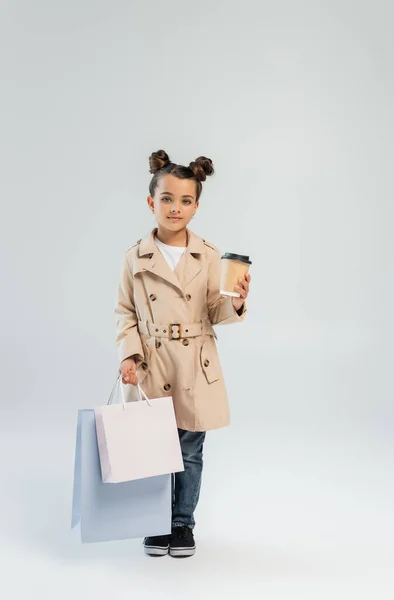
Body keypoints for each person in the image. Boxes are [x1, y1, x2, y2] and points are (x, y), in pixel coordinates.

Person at [114, 149, 251, 558]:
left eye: (186, 200)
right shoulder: (134, 256)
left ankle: (182, 525)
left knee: (190, 451)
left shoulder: (209, 255)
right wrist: (128, 357)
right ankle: (155, 523)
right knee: (154, 448)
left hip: (195, 363)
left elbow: (216, 310)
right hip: (152, 364)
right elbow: (124, 312)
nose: (176, 208)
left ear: (197, 205)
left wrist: (238, 301)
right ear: (151, 202)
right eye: (168, 199)